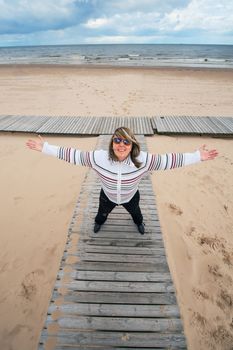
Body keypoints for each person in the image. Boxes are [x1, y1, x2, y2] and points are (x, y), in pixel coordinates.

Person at [26, 126, 218, 234]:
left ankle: (139, 223)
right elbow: (72, 154)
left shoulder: (143, 160)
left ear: (132, 144)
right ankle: (100, 222)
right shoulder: (98, 158)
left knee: (137, 214)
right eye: (117, 140)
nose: (121, 144)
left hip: (131, 197)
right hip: (107, 197)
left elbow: (170, 160)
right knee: (101, 214)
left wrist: (197, 156)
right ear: (112, 143)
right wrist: (45, 148)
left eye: (126, 141)